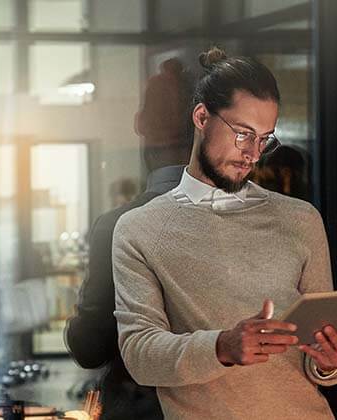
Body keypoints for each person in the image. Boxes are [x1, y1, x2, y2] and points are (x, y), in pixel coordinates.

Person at [111, 46, 337, 420]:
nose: (253, 153)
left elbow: (325, 368)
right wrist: (222, 346)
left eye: (265, 139)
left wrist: (333, 361)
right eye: (243, 134)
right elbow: (140, 354)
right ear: (202, 116)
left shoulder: (300, 219)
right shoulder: (140, 229)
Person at [64, 58, 193, 419]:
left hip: (146, 408)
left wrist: (77, 322)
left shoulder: (120, 226)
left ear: (141, 127)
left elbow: (90, 346)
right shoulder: (247, 218)